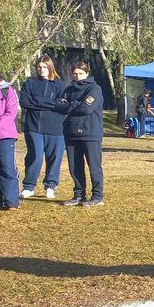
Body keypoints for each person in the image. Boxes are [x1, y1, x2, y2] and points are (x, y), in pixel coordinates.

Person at [54, 61, 104, 207]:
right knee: (75, 166)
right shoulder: (69, 89)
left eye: (80, 73)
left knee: (94, 167)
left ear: (87, 73)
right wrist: (76, 104)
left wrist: (70, 106)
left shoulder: (94, 89)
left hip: (90, 134)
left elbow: (86, 109)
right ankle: (79, 195)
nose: (77, 76)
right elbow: (58, 106)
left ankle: (97, 196)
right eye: (75, 73)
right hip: (71, 133)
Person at [19, 55, 65, 200]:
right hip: (34, 128)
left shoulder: (59, 85)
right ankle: (28, 187)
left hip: (56, 129)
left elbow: (62, 105)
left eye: (45, 67)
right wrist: (52, 104)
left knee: (54, 158)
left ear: (50, 67)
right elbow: (25, 102)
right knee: (35, 157)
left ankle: (50, 186)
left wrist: (38, 102)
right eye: (39, 67)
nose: (41, 69)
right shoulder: (29, 83)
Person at [0, 57, 20, 210]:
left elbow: (10, 114)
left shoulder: (7, 89)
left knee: (7, 168)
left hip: (4, 136)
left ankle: (11, 201)